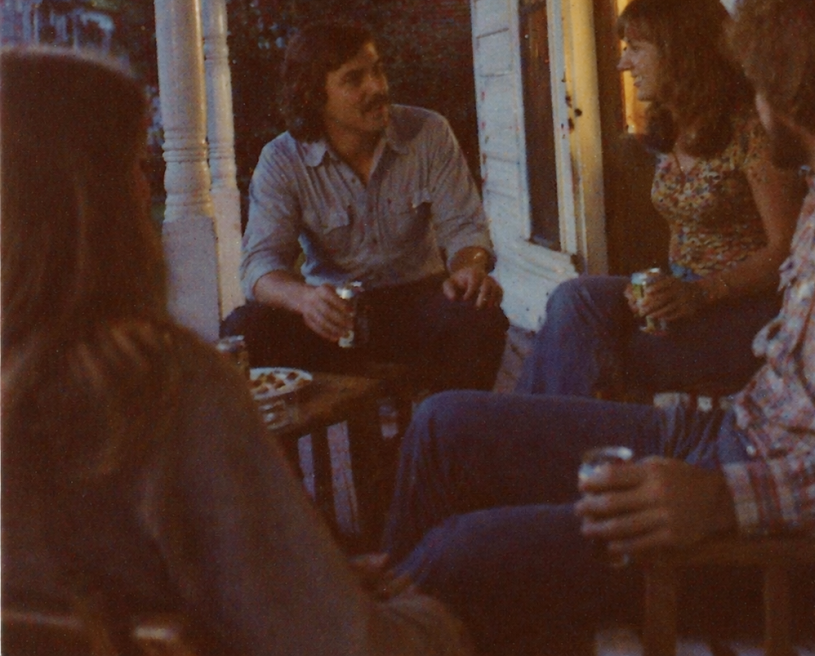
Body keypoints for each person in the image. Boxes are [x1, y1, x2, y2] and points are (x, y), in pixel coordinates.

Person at [380, 0, 815, 650]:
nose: (752, 99)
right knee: (445, 428)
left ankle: (387, 624)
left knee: (465, 555)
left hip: (786, 545)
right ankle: (373, 617)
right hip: (727, 439)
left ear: (803, 93)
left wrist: (723, 501)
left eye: (761, 80)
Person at [0, 47, 471, 656]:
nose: (147, 185)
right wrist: (430, 618)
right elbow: (347, 645)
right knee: (469, 557)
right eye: (137, 164)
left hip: (414, 305)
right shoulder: (160, 385)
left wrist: (306, 578)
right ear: (95, 200)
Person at [516, 0, 804, 398]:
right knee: (575, 298)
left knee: (613, 357)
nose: (622, 63)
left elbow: (788, 250)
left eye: (635, 47)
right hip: (684, 295)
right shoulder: (675, 129)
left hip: (747, 309)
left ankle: (554, 442)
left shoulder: (752, 134)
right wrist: (657, 291)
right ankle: (536, 431)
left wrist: (701, 292)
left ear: (679, 50)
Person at [224, 19, 508, 391]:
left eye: (377, 71)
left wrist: (468, 268)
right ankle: (280, 447)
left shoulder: (427, 132)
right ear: (313, 95)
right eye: (354, 79)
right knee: (244, 330)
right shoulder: (282, 159)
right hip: (334, 315)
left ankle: (444, 436)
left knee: (479, 317)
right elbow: (260, 265)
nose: (377, 87)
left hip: (418, 303)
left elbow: (465, 229)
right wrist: (305, 300)